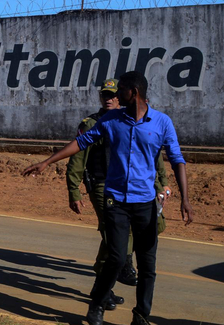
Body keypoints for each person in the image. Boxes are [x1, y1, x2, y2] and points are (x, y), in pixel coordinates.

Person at [23, 71, 194, 325]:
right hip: (117, 203)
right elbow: (81, 143)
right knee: (116, 258)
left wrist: (185, 199)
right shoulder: (112, 120)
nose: (115, 95)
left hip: (145, 204)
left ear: (133, 92)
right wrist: (47, 162)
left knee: (147, 266)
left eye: (121, 89)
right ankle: (97, 304)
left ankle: (141, 316)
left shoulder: (162, 123)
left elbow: (177, 160)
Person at [65, 79, 172, 311]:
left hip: (135, 189)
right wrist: (74, 190)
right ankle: (103, 287)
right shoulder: (94, 123)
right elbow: (77, 157)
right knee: (112, 238)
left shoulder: (140, 121)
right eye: (105, 95)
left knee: (144, 230)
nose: (110, 99)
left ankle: (119, 271)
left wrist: (161, 183)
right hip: (104, 187)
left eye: (114, 95)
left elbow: (153, 156)